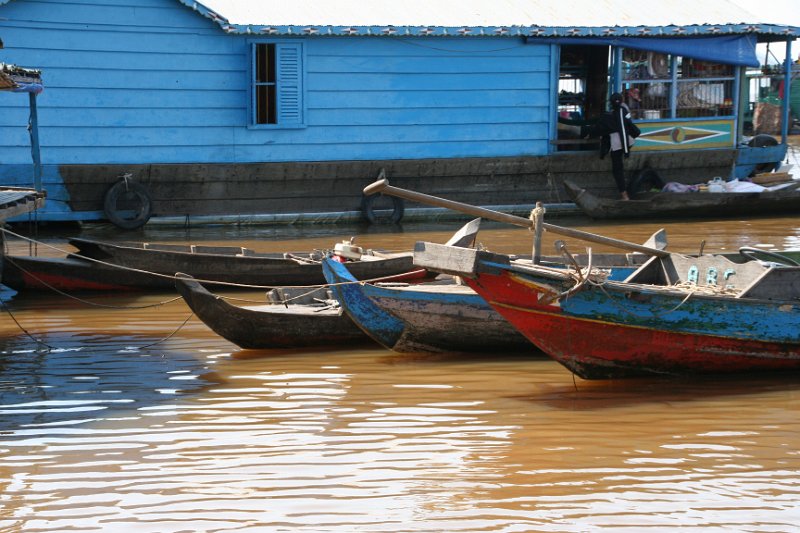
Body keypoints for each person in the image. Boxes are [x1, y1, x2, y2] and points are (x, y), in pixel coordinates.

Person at [588, 92, 641, 200]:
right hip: (627, 142)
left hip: (617, 145)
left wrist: (589, 135)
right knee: (619, 168)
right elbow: (628, 125)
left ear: (611, 103)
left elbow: (600, 129)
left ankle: (624, 194)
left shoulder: (608, 116)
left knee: (617, 170)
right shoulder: (624, 111)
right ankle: (625, 194)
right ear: (621, 101)